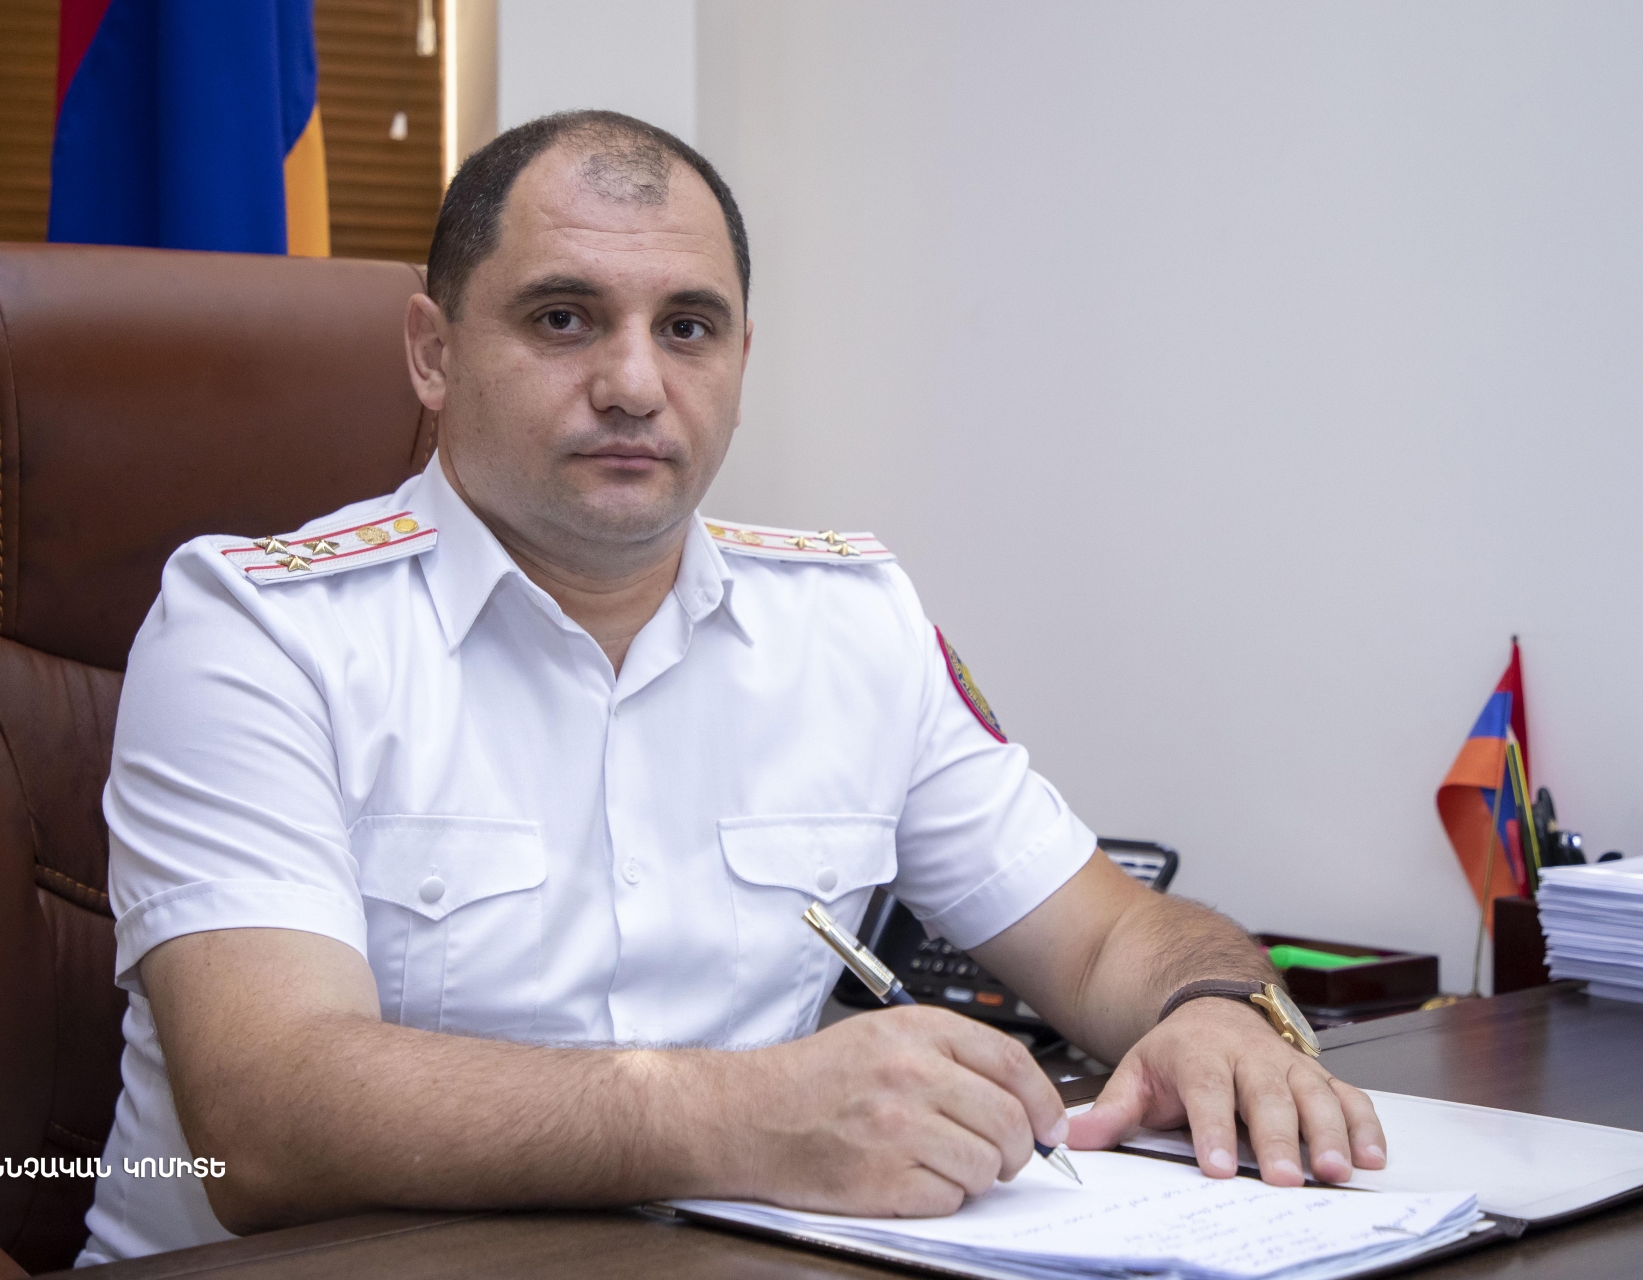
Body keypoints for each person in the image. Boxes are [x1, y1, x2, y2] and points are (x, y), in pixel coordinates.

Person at [77, 110, 1385, 1265]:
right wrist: (751, 1114)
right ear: (433, 351)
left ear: (741, 361)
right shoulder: (256, 630)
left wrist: (1218, 1013)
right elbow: (266, 1116)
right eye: (562, 318)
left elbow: (1101, 940)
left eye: (687, 328)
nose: (634, 385)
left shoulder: (851, 624)